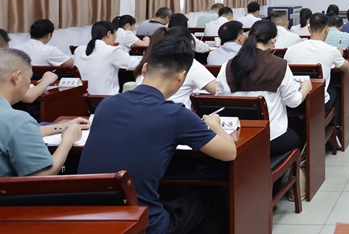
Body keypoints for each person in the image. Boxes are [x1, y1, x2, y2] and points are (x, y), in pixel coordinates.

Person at [79, 36, 237, 234]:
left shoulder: (106, 104)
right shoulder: (176, 115)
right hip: (142, 225)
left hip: (90, 221)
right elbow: (229, 152)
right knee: (204, 202)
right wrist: (215, 125)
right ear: (181, 77)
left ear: (144, 69)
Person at [216, 20, 312, 156]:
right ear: (273, 40)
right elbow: (293, 101)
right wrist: (306, 87)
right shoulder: (280, 65)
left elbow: (220, 99)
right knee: (297, 137)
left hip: (236, 137)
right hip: (272, 138)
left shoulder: (227, 66)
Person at [0, 48, 87, 177]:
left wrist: (63, 127)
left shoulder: (15, 123)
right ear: (16, 77)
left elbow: (14, 133)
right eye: (30, 78)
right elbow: (41, 176)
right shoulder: (17, 120)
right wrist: (68, 140)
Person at [284, 13, 349, 115]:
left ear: (309, 29)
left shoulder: (291, 49)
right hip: (318, 102)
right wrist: (339, 55)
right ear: (327, 30)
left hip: (294, 100)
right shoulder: (331, 50)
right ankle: (335, 123)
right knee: (335, 91)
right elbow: (346, 68)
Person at [136, 27, 217, 108]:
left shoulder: (149, 60)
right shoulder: (190, 64)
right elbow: (218, 90)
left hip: (144, 110)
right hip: (175, 112)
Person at [74, 21, 133, 95]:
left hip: (82, 98)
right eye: (115, 35)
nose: (115, 38)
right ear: (109, 34)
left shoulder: (78, 50)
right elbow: (133, 64)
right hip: (107, 98)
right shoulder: (111, 51)